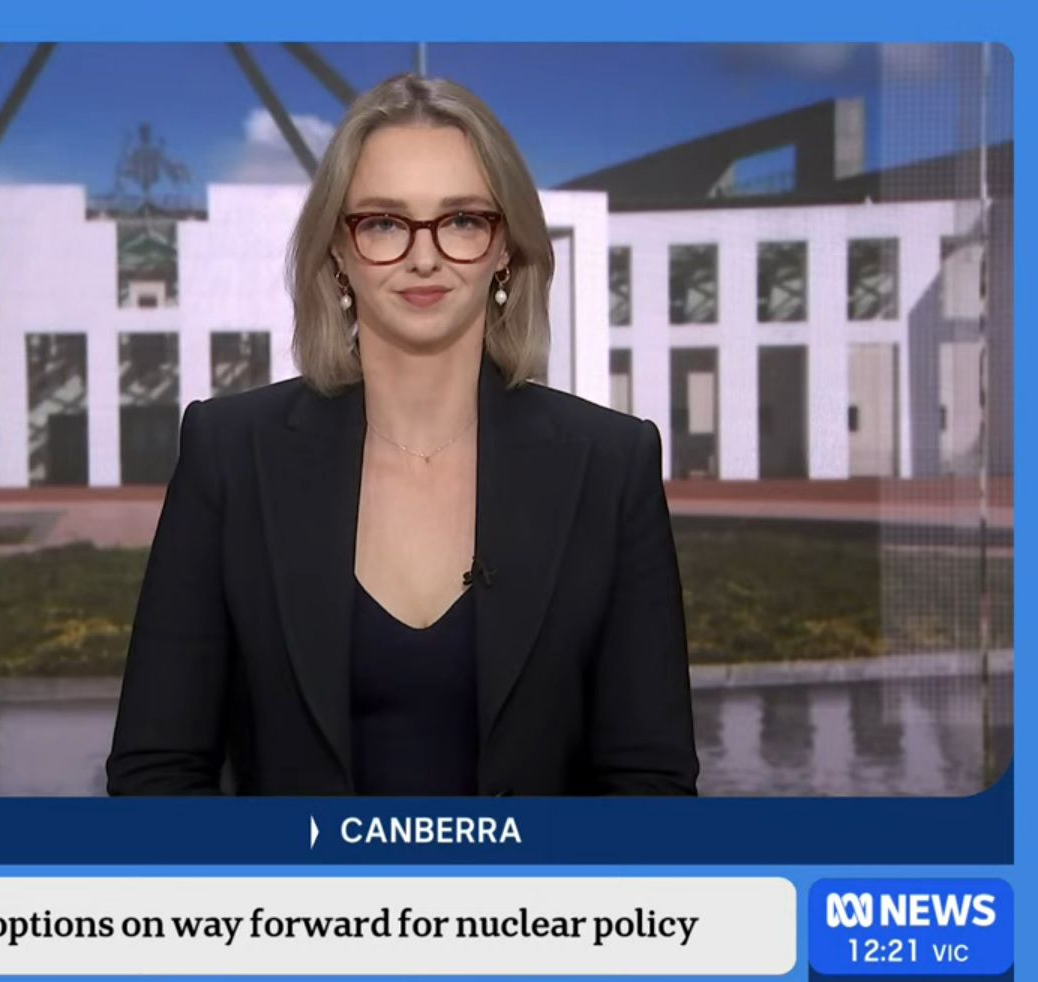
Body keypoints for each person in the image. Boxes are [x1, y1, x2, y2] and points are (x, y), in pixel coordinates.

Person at [106, 75, 696, 796]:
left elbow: (650, 783)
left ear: (505, 248)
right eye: (385, 223)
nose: (425, 256)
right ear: (338, 250)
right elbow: (158, 770)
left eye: (462, 220)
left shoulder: (611, 465)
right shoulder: (229, 454)